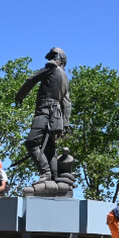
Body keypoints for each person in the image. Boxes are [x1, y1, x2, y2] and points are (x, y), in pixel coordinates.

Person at [15, 47, 71, 183]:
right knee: (49, 149)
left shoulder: (51, 67)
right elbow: (67, 103)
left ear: (59, 58)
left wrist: (20, 96)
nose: (51, 59)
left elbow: (31, 80)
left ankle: (45, 172)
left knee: (31, 142)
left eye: (53, 56)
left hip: (45, 112)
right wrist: (65, 124)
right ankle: (54, 177)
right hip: (56, 117)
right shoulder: (65, 77)